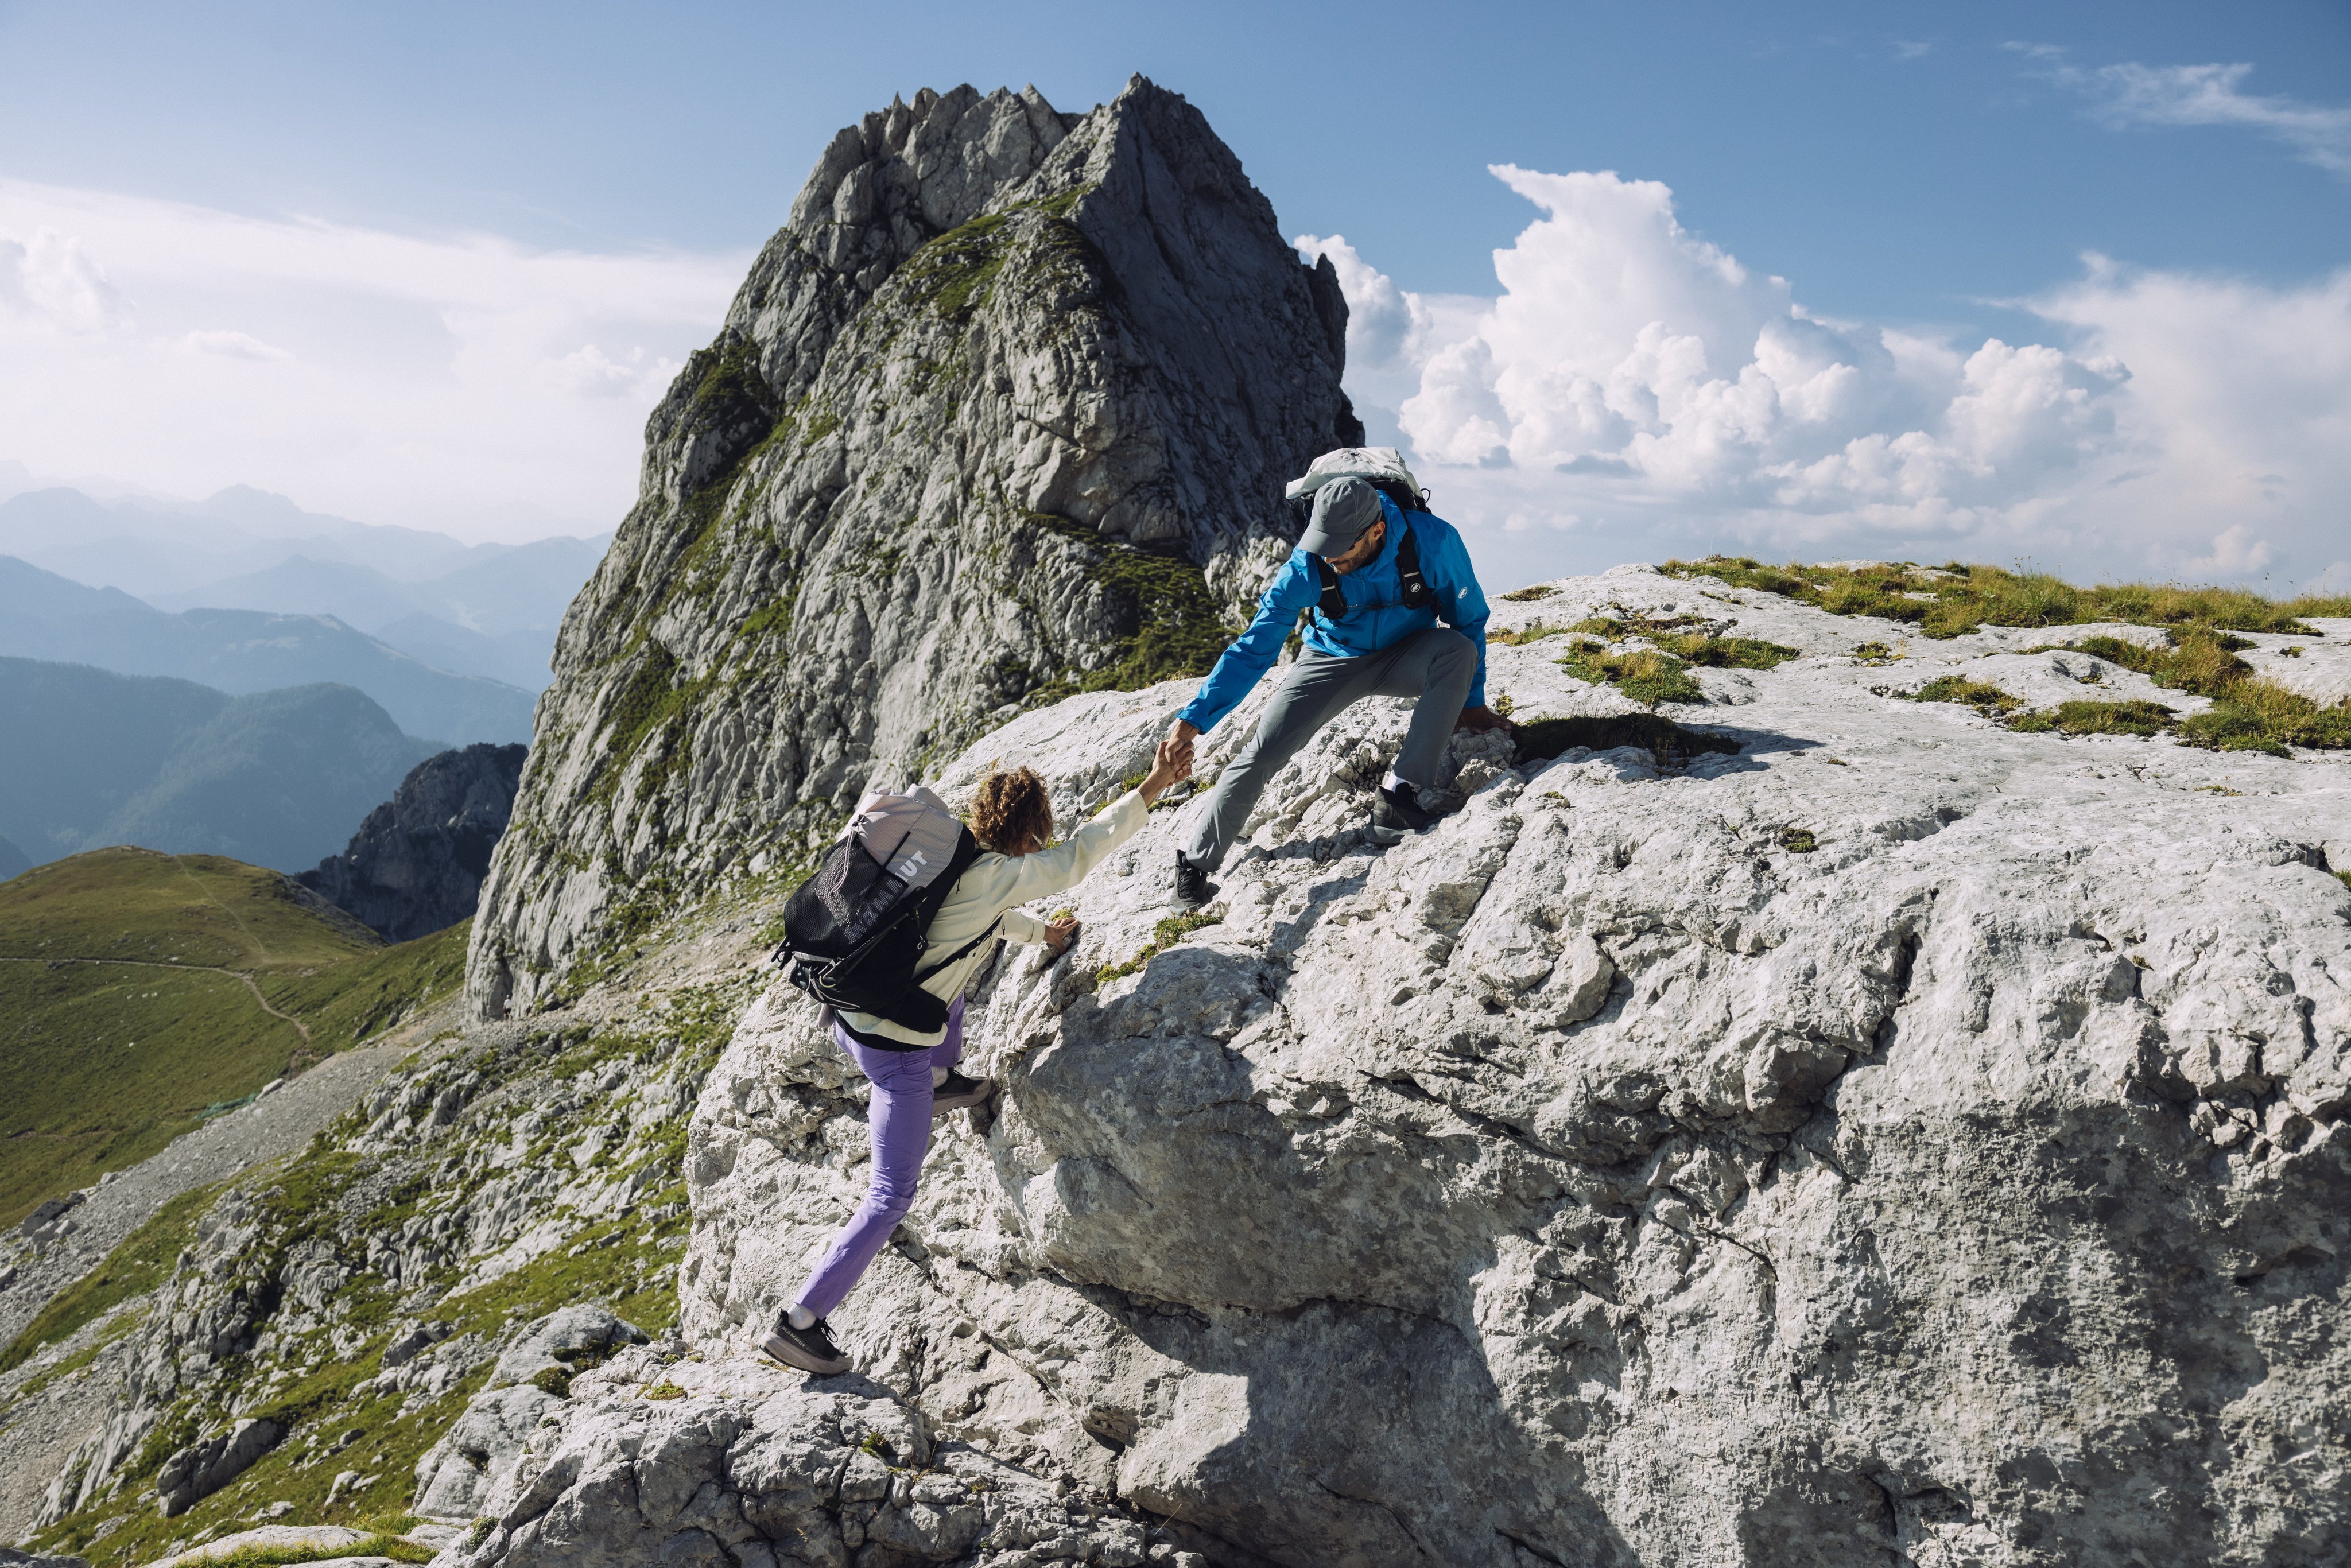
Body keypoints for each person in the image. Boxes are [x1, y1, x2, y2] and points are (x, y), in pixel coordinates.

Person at [760, 734, 1193, 1375]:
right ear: (1030, 830)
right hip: (892, 1053)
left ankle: (941, 1077)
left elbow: (971, 925)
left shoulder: (943, 854)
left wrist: (1040, 933)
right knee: (889, 1196)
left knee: (949, 989)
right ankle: (800, 1321)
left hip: (847, 1017)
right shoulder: (997, 874)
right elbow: (1077, 859)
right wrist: (1151, 787)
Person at [1166, 475, 1507, 904]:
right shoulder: (1307, 564)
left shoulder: (1433, 543)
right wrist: (1192, 720)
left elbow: (1469, 619)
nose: (1328, 558)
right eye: (1322, 544)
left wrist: (1472, 703)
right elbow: (1254, 649)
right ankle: (1196, 863)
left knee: (1457, 651)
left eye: (1340, 548)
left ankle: (1400, 794)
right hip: (1331, 659)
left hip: (1410, 653)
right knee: (1264, 749)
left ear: (1377, 531)